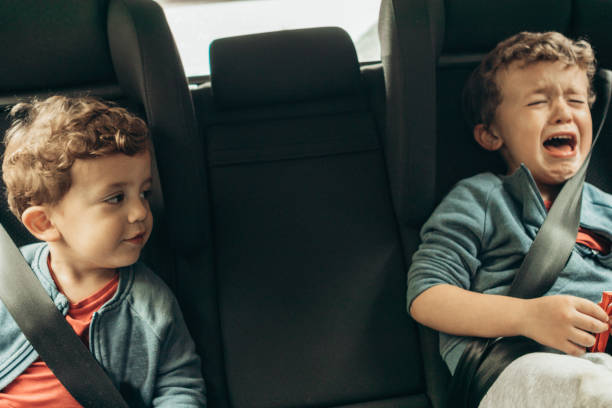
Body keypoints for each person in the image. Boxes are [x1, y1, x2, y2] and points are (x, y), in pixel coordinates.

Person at [408, 31, 612, 407]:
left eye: (576, 100)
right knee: (595, 392)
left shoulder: (605, 207)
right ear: (490, 135)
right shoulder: (481, 197)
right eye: (538, 101)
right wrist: (528, 316)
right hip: (519, 366)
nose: (563, 112)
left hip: (602, 362)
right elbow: (427, 295)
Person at [0, 96, 206, 407]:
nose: (140, 212)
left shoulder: (150, 303)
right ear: (44, 223)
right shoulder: (7, 282)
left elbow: (179, 385)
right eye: (115, 198)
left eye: (144, 193)